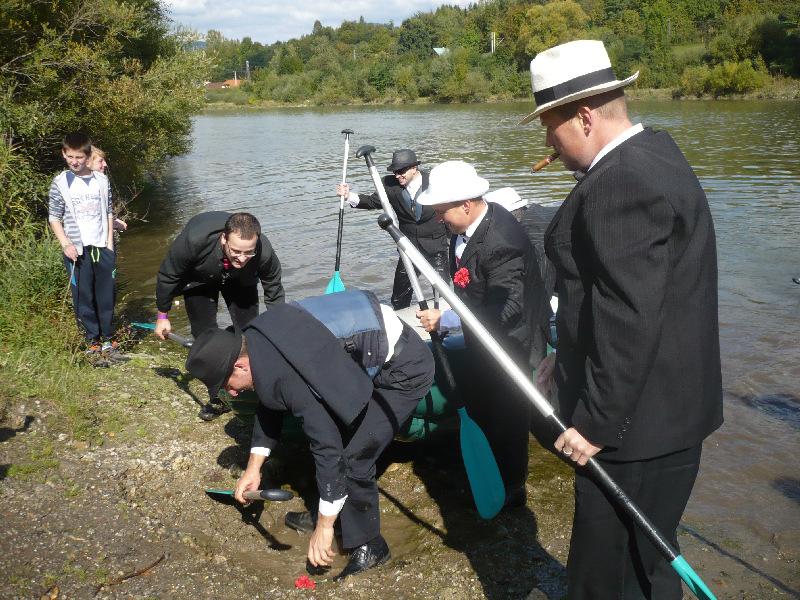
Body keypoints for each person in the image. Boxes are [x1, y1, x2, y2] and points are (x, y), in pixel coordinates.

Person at [523, 40, 724, 599]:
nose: (547, 141)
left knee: (607, 574)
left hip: (636, 427)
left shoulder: (619, 184)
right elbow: (635, 295)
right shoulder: (658, 151)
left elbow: (629, 316)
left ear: (583, 117)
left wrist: (593, 425)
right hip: (673, 409)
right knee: (652, 555)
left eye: (550, 125)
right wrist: (570, 351)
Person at [185, 290, 435, 581]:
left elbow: (329, 450)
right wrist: (253, 469)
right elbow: (269, 403)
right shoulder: (256, 340)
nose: (231, 392)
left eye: (227, 383)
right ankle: (338, 513)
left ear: (240, 364)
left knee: (354, 456)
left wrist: (323, 528)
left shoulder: (292, 375)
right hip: (366, 355)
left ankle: (371, 546)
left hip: (403, 368)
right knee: (339, 439)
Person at [414, 161, 552, 510]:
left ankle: (512, 486)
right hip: (479, 334)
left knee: (507, 414)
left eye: (441, 211)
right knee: (479, 403)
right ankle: (485, 464)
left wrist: (447, 319)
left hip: (511, 341)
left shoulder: (502, 243)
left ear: (465, 204)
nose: (438, 219)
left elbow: (507, 310)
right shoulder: (466, 225)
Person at [155, 211, 285, 420]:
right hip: (199, 278)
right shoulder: (193, 240)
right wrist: (163, 315)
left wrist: (280, 328)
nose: (242, 258)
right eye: (236, 251)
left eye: (248, 253)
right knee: (205, 336)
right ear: (224, 239)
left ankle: (253, 387)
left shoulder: (263, 252)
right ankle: (217, 398)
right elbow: (168, 275)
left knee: (250, 334)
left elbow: (274, 290)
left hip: (241, 281)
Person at [48, 132, 127, 366]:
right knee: (83, 298)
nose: (74, 161)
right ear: (64, 154)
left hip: (102, 248)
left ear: (88, 156)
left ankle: (108, 343)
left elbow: (109, 214)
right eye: (69, 156)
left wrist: (110, 248)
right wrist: (66, 244)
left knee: (105, 297)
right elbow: (54, 217)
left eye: (79, 157)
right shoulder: (61, 182)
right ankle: (92, 345)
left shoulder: (101, 180)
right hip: (77, 251)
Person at [336, 149, 449, 309]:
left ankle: (444, 325)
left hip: (436, 247)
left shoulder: (433, 181)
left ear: (414, 168)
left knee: (443, 295)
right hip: (408, 248)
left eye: (402, 171)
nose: (398, 176)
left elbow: (451, 207)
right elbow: (373, 201)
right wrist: (348, 196)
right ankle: (403, 327)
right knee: (398, 298)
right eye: (395, 172)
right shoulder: (389, 184)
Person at [88, 146, 127, 232]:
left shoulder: (102, 181)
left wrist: (113, 220)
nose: (105, 164)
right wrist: (113, 224)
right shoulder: (81, 186)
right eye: (100, 161)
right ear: (88, 162)